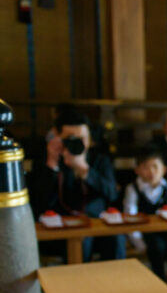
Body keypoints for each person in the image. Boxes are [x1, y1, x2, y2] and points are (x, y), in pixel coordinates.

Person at [29, 106, 124, 261]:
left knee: (116, 237)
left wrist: (85, 171)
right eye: (71, 138)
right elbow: (40, 202)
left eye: (83, 138)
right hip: (60, 229)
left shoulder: (100, 160)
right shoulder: (45, 160)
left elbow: (112, 194)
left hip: (94, 223)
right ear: (57, 136)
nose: (79, 143)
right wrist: (52, 164)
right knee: (80, 240)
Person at [123, 146, 167, 292]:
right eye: (145, 167)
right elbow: (130, 218)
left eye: (155, 167)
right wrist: (139, 243)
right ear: (137, 170)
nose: (151, 171)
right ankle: (160, 286)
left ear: (164, 169)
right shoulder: (133, 189)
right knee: (156, 248)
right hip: (147, 234)